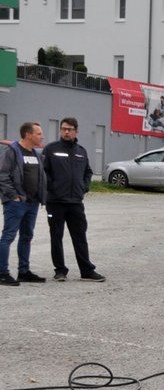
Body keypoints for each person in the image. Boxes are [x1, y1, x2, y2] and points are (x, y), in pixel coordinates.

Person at [44, 117, 104, 282]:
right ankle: (60, 270)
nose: (66, 132)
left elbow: (88, 172)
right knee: (56, 236)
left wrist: (84, 187)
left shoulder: (81, 151)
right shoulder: (51, 150)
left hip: (76, 203)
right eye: (63, 129)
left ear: (76, 131)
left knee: (80, 236)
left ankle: (86, 270)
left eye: (69, 129)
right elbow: (44, 173)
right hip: (55, 202)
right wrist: (53, 186)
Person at [0, 123, 48, 286]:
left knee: (26, 237)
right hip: (16, 203)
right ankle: (2, 273)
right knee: (8, 236)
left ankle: (24, 272)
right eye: (39, 133)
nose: (42, 136)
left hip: (32, 203)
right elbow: (3, 175)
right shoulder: (12, 151)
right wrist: (13, 196)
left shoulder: (35, 153)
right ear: (28, 135)